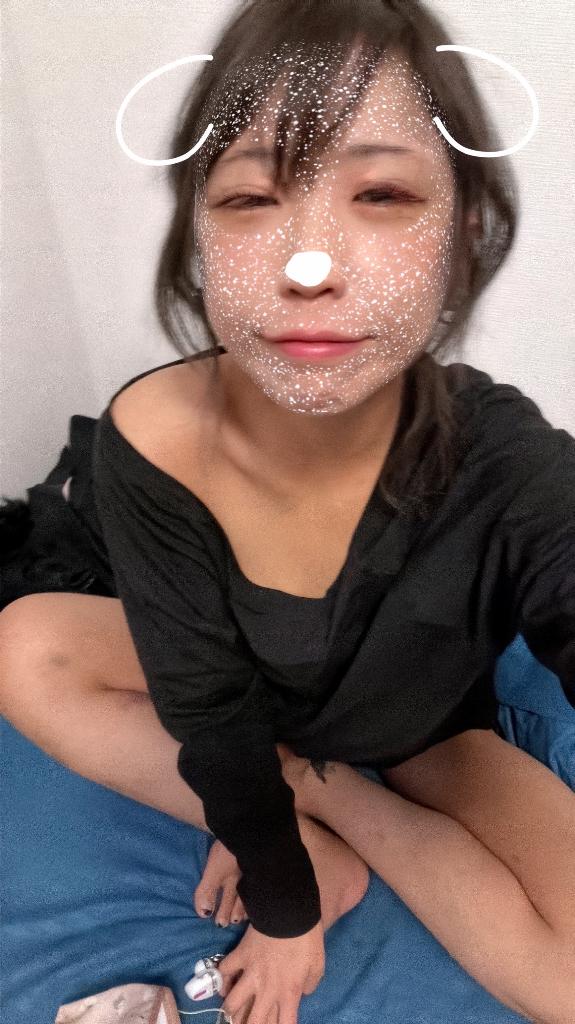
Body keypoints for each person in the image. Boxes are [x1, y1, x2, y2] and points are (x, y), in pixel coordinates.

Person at [1, 2, 574, 1023]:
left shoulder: (505, 461)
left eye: (381, 193)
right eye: (252, 198)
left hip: (423, 736)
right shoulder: (157, 438)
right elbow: (209, 710)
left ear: (460, 234)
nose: (309, 266)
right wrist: (284, 895)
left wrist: (334, 800)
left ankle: (329, 797)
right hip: (251, 709)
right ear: (199, 234)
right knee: (26, 646)